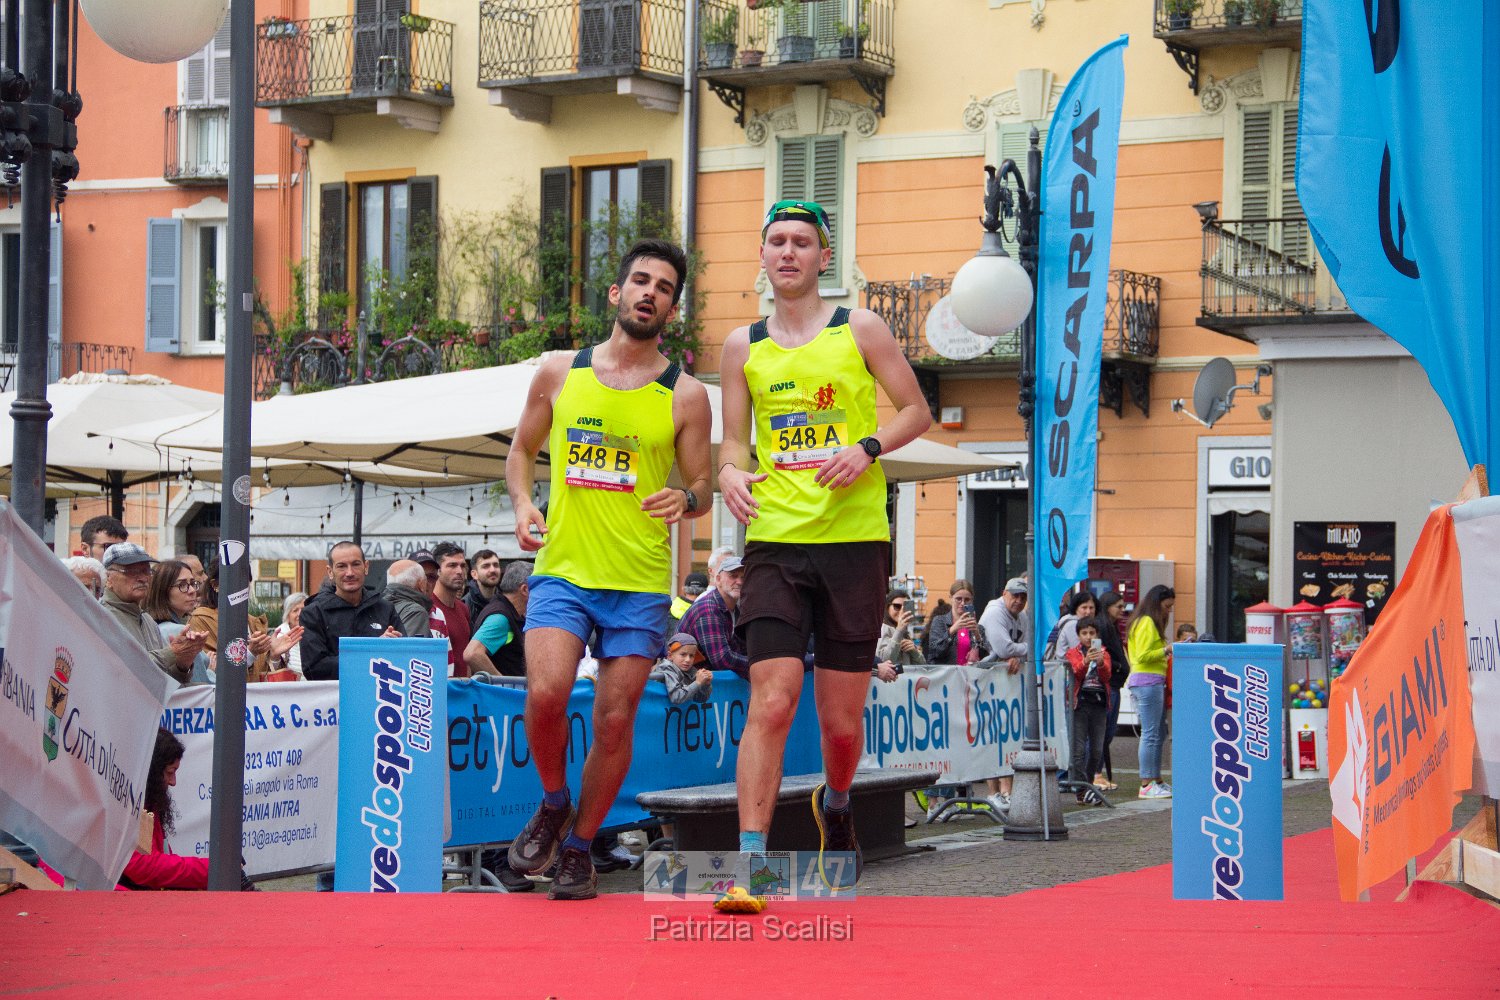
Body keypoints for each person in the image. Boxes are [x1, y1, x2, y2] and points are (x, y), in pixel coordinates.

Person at [716, 198, 931, 912]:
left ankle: (836, 802)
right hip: (775, 542)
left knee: (840, 725)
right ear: (762, 255)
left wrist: (866, 447)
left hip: (852, 543)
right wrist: (728, 472)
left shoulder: (859, 328)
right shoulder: (742, 346)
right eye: (776, 240)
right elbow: (734, 442)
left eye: (801, 242)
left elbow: (916, 410)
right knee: (772, 700)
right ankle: (751, 865)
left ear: (823, 257)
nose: (788, 252)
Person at [504, 238, 711, 902]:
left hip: (639, 581)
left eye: (665, 288)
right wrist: (521, 503)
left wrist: (687, 500)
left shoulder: (686, 395)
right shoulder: (559, 371)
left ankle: (578, 848)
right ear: (618, 293)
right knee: (546, 694)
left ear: (672, 311)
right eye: (641, 281)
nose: (651, 293)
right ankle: (554, 800)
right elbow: (521, 450)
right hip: (564, 569)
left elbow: (702, 484)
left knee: (615, 719)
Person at [41, 728, 257, 891]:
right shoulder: (126, 803)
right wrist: (212, 869)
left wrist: (215, 869)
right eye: (170, 772)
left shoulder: (146, 801)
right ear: (153, 771)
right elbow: (140, 866)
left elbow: (159, 861)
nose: (173, 782)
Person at [299, 541, 405, 682]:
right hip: (335, 695)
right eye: (341, 566)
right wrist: (372, 650)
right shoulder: (313, 613)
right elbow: (314, 669)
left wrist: (392, 646)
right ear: (330, 572)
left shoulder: (385, 608)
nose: (349, 573)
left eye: (355, 564)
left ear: (366, 567)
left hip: (380, 693)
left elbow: (404, 656)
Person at [99, 544, 205, 684]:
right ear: (108, 578)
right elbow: (125, 671)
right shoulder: (101, 616)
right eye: (132, 571)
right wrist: (172, 652)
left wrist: (183, 663)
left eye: (146, 571)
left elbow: (162, 682)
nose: (143, 578)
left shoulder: (147, 620)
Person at [977, 576, 1031, 809]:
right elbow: (1003, 647)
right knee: (992, 735)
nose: (1018, 601)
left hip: (1008, 684)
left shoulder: (1023, 617)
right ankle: (993, 792)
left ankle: (1007, 791)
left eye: (1023, 597)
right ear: (1004, 594)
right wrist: (1021, 651)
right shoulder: (994, 612)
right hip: (985, 682)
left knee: (1008, 735)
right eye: (1015, 595)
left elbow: (1021, 648)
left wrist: (1017, 654)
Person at [186, 556, 276, 682]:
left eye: (245, 581)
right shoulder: (202, 619)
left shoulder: (254, 622)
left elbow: (263, 675)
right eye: (234, 582)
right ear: (215, 585)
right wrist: (249, 653)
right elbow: (212, 669)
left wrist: (275, 656)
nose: (241, 588)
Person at [1127, 584, 1176, 799]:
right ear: (1157, 604)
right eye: (1167, 606)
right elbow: (1143, 655)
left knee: (1157, 733)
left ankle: (1155, 780)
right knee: (1150, 734)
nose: (1169, 611)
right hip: (1148, 681)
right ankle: (1147, 783)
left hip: (1148, 681)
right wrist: (1167, 649)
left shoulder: (1142, 621)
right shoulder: (1147, 622)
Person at [1065, 618, 1112, 804]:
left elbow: (1107, 676)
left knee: (1096, 750)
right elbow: (1074, 673)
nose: (1088, 637)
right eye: (1084, 633)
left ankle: (1089, 784)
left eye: (1092, 633)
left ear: (1097, 635)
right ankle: (1082, 789)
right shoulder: (1073, 653)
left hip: (1099, 704)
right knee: (1077, 750)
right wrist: (1085, 661)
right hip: (1080, 704)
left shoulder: (1104, 653)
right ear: (1078, 635)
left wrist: (1100, 663)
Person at [144, 559, 215, 685]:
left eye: (192, 583)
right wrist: (211, 672)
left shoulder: (150, 626)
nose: (192, 590)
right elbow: (200, 687)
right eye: (182, 585)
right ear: (163, 591)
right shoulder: (178, 631)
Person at [679, 555, 751, 678]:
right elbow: (722, 659)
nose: (739, 582)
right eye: (733, 576)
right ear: (718, 580)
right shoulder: (708, 609)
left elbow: (741, 649)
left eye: (743, 577)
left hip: (708, 683)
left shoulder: (736, 610)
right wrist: (759, 665)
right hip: (686, 684)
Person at [465, 561, 531, 677]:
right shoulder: (501, 618)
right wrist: (501, 682)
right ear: (525, 589)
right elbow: (472, 653)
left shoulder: (511, 613)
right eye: (538, 588)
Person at [1094, 590, 1130, 790]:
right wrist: (1117, 666)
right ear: (1108, 607)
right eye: (1119, 606)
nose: (1123, 610)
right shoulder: (1103, 627)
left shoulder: (1112, 627)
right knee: (1104, 731)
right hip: (1108, 684)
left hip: (1114, 683)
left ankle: (1097, 772)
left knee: (1107, 731)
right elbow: (1102, 654)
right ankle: (1095, 773)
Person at [428, 542, 473, 678]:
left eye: (463, 566)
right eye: (452, 565)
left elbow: (465, 657)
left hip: (462, 688)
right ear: (438, 571)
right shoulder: (429, 608)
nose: (459, 571)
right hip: (439, 686)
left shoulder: (463, 608)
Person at [925, 579, 990, 665]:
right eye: (958, 599)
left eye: (967, 599)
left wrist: (977, 636)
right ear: (951, 598)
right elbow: (935, 652)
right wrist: (952, 630)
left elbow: (985, 656)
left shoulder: (978, 628)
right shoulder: (939, 621)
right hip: (945, 673)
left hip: (969, 673)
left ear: (972, 600)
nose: (962, 603)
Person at [651, 632, 713, 704]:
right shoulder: (667, 668)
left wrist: (705, 685)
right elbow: (676, 698)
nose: (688, 660)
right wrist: (697, 682)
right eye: (683, 654)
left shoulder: (691, 671)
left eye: (691, 655)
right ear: (670, 656)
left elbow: (699, 699)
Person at [383, 560, 433, 638]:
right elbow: (410, 645)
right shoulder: (416, 612)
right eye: (426, 580)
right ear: (421, 584)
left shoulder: (375, 606)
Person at [266, 591, 309, 680]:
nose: (300, 614)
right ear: (287, 615)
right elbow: (273, 671)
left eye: (303, 609)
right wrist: (275, 656)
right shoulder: (280, 635)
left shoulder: (315, 632)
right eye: (295, 610)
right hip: (291, 686)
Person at [876, 590, 924, 668]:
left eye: (905, 607)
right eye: (897, 606)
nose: (901, 611)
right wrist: (899, 630)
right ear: (887, 607)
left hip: (907, 675)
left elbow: (922, 666)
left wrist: (914, 651)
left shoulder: (904, 631)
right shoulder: (883, 628)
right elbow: (883, 661)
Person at [1047, 591, 1098, 662]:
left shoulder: (1089, 624)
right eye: (1084, 608)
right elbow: (1078, 653)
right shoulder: (1072, 625)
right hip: (1067, 666)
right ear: (1076, 609)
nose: (1088, 612)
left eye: (1091, 608)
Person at [465, 549, 503, 622]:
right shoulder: (465, 606)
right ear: (474, 574)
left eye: (496, 565)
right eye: (486, 566)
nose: (492, 570)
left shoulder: (505, 602)